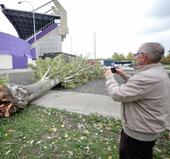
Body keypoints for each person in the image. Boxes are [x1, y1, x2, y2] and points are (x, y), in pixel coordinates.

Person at [104, 42, 170, 159]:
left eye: (136, 54)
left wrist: (109, 77)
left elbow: (117, 94)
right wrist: (125, 76)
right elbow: (140, 90)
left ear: (143, 56)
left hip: (139, 133)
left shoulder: (147, 77)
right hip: (145, 130)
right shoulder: (156, 72)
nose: (135, 56)